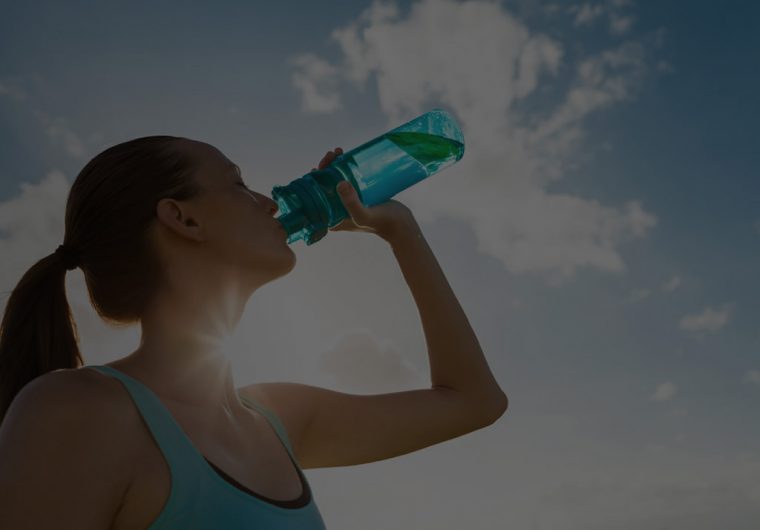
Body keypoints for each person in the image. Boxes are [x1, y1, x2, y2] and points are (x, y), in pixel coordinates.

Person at [0, 135, 507, 529]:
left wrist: (400, 231)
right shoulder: (78, 410)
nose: (268, 202)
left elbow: (475, 401)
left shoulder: (277, 419)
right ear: (183, 218)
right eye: (238, 184)